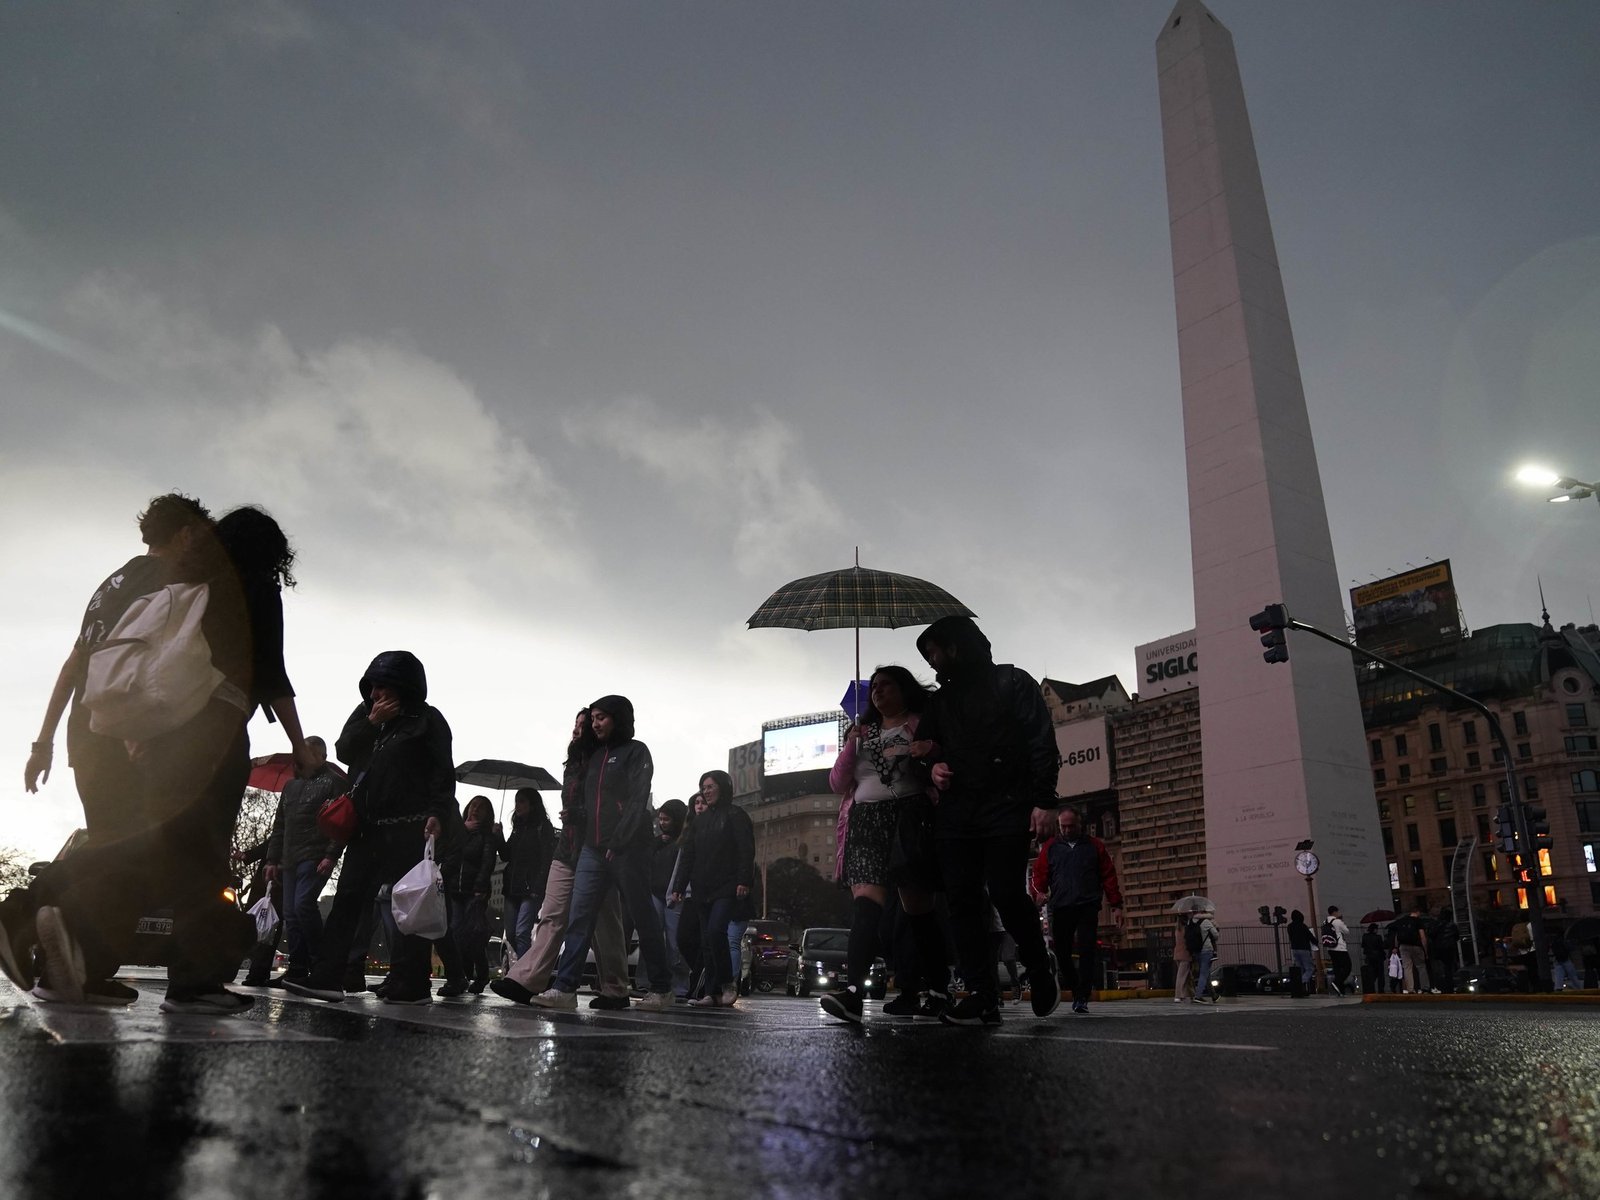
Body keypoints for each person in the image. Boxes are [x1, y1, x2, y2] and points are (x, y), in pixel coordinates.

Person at [12, 505, 310, 1014]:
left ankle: (94, 964)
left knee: (164, 854)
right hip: (214, 734)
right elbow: (272, 674)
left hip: (156, 732)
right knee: (177, 854)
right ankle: (26, 912)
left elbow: (149, 662)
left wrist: (129, 733)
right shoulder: (251, 588)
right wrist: (301, 748)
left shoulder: (186, 585)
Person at [7, 493, 213, 1004]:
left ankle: (75, 967)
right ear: (185, 534)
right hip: (119, 728)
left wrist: (45, 739)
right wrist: (136, 732)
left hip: (85, 727)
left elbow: (75, 663)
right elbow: (139, 662)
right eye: (201, 538)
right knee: (131, 849)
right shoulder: (161, 581)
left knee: (113, 848)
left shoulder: (109, 585)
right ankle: (20, 919)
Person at [910, 616, 1061, 1026]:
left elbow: (1041, 742)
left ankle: (1039, 968)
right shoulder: (939, 703)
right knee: (961, 900)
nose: (932, 661)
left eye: (934, 651)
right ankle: (980, 992)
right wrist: (932, 769)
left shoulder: (1012, 682)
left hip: (1007, 804)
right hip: (957, 812)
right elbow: (921, 754)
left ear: (955, 647)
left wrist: (1044, 801)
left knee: (1007, 893)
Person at [286, 650, 460, 1006]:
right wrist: (371, 720)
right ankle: (327, 975)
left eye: (385, 686)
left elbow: (443, 771)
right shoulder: (366, 714)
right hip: (367, 827)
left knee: (409, 906)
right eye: (373, 686)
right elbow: (344, 750)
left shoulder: (428, 720)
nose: (376, 692)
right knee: (348, 901)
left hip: (409, 826)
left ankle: (410, 982)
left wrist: (438, 812)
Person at [820, 665, 948, 1024]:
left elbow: (939, 761)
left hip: (909, 817)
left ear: (904, 689)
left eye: (886, 685)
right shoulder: (861, 733)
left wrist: (928, 748)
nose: (877, 691)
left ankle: (938, 988)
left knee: (917, 908)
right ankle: (853, 994)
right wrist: (851, 745)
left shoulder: (921, 722)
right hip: (866, 819)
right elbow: (836, 782)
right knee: (865, 907)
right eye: (874, 686)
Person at [531, 696, 675, 1011]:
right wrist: (574, 817)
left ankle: (662, 989)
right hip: (592, 850)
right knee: (580, 917)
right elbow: (589, 800)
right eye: (593, 718)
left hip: (629, 850)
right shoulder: (596, 755)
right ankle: (564, 989)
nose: (595, 723)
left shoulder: (637, 752)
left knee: (642, 917)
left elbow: (638, 801)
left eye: (601, 717)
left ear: (618, 718)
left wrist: (618, 842)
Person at [490, 711, 631, 1010]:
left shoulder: (604, 761)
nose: (580, 729)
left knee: (604, 922)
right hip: (566, 849)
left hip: (596, 849)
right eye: (578, 724)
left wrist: (584, 819)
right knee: (551, 915)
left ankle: (615, 988)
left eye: (586, 724)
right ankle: (526, 979)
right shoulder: (573, 763)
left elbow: (609, 805)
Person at [259, 736, 341, 987]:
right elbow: (280, 824)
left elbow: (340, 821)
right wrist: (273, 859)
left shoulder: (334, 783)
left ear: (322, 757)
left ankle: (318, 963)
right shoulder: (291, 786)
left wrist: (330, 854)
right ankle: (298, 967)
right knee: (292, 914)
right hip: (289, 858)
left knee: (303, 906)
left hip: (314, 855)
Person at [672, 771, 755, 1008]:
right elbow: (688, 856)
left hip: (727, 887)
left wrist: (744, 880)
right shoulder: (699, 821)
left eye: (710, 786)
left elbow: (746, 850)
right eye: (703, 787)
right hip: (701, 888)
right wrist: (678, 886)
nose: (706, 791)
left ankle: (728, 983)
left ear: (724, 787)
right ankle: (711, 991)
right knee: (707, 940)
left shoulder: (737, 815)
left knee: (717, 930)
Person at [1030, 806, 1122, 1014]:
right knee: (1062, 952)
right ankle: (1075, 986)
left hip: (1087, 905)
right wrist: (1039, 894)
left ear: (1080, 825)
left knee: (1088, 950)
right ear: (1059, 826)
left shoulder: (1094, 846)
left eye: (1072, 826)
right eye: (1064, 826)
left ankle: (1082, 995)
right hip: (1061, 907)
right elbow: (1039, 874)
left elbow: (1109, 875)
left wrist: (1116, 905)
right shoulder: (1051, 847)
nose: (1068, 830)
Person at [442, 795, 498, 995]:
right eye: (474, 805)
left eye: (481, 807)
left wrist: (481, 887)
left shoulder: (487, 835)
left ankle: (480, 975)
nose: (476, 809)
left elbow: (487, 863)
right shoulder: (458, 831)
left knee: (473, 935)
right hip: (454, 890)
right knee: (455, 932)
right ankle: (462, 976)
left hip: (474, 892)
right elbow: (448, 853)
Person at [499, 789, 554, 961]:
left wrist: (539, 885)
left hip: (531, 888)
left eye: (522, 801)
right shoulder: (518, 828)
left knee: (522, 932)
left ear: (532, 804)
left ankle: (524, 977)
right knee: (512, 934)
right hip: (512, 888)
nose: (517, 806)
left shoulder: (542, 827)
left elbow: (547, 858)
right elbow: (506, 855)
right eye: (516, 801)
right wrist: (499, 835)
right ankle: (526, 967)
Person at [650, 799, 691, 998]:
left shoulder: (684, 842)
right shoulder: (657, 842)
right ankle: (649, 981)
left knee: (675, 942)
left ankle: (680, 984)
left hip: (675, 894)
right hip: (655, 892)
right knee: (652, 937)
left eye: (667, 819)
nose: (662, 823)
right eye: (660, 819)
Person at [1389, 903, 1434, 994]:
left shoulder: (1401, 921)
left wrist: (1396, 947)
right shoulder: (1418, 921)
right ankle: (1425, 987)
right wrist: (1425, 950)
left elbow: (1397, 936)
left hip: (1403, 946)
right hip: (1416, 946)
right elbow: (1422, 937)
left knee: (1407, 968)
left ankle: (1410, 989)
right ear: (1418, 912)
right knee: (1421, 966)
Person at [1190, 912, 1220, 1003]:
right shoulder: (1206, 921)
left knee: (1205, 973)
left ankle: (1214, 995)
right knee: (1204, 974)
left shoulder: (1192, 922)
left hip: (1196, 951)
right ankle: (1198, 996)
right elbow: (1216, 935)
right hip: (1206, 950)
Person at [1324, 905, 1353, 996]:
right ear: (1335, 912)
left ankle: (1340, 990)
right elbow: (1347, 931)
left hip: (1330, 948)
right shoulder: (1337, 921)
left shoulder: (1325, 921)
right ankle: (1337, 982)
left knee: (1337, 968)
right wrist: (1342, 921)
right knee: (1347, 967)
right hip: (1340, 948)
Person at [1286, 910, 1315, 996]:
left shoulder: (1290, 926)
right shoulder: (1303, 926)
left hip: (1294, 949)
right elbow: (1310, 936)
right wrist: (1315, 942)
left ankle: (1299, 988)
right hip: (1304, 949)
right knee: (1310, 968)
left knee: (1299, 969)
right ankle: (1301, 982)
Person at [1172, 913, 1195, 1003]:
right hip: (1185, 954)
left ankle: (1188, 994)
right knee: (1182, 976)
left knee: (1187, 976)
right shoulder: (1186, 929)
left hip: (1177, 954)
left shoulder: (1177, 929)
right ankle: (1178, 995)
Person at [1360, 923, 1386, 995]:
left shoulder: (1365, 936)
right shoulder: (1378, 937)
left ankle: (1370, 989)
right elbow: (1381, 947)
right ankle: (1381, 990)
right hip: (1378, 957)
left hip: (1369, 957)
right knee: (1380, 974)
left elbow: (1363, 946)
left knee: (1371, 974)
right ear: (1375, 930)